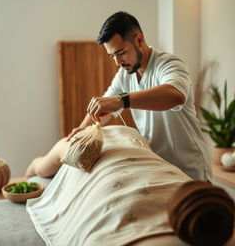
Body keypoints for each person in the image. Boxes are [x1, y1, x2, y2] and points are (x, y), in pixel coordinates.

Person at [66, 11, 211, 181]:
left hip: (190, 172)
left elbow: (175, 95)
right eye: (112, 55)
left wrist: (122, 101)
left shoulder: (169, 64)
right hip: (160, 171)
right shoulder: (124, 74)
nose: (117, 62)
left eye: (121, 52)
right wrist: (83, 129)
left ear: (139, 40)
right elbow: (103, 110)